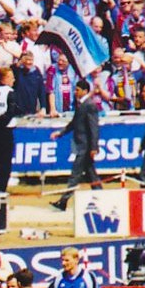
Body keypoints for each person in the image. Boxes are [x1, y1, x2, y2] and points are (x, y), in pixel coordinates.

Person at [50, 79, 101, 209]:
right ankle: (101, 197)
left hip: (85, 146)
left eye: (77, 90)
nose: (75, 92)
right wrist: (60, 133)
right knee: (91, 175)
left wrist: (94, 147)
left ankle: (63, 201)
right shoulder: (80, 105)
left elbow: (94, 128)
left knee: (75, 174)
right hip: (82, 145)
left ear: (85, 91)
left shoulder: (89, 105)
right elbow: (74, 123)